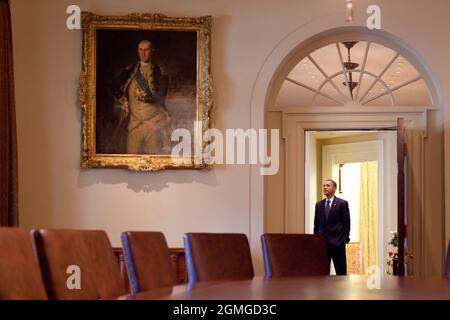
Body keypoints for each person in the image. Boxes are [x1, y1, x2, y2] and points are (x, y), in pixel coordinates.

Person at [112, 40, 170, 154]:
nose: (143, 53)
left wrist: (144, 97)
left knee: (155, 163)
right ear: (137, 51)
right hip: (134, 125)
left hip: (154, 125)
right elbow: (113, 85)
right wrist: (123, 101)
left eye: (146, 50)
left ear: (152, 52)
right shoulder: (129, 71)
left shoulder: (160, 72)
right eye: (140, 50)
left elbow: (161, 97)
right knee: (131, 161)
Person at [314, 179, 351, 275]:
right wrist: (316, 241)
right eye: (324, 185)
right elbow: (316, 224)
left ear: (334, 188)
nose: (325, 187)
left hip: (337, 243)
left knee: (341, 273)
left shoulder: (342, 204)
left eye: (328, 185)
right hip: (322, 244)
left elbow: (346, 223)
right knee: (322, 273)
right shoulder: (319, 205)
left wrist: (344, 239)